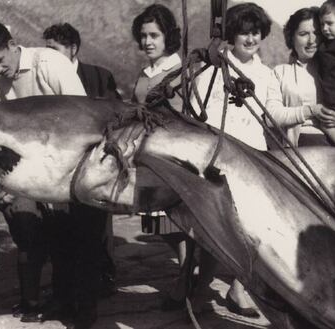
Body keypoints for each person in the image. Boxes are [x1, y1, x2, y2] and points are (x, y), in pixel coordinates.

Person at [0, 21, 86, 324]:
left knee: (75, 239)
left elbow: (84, 113)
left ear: (11, 44)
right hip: (40, 169)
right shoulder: (4, 85)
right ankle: (59, 300)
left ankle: (80, 307)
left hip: (72, 162)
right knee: (51, 237)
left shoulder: (49, 63)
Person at [191, 2, 273, 317]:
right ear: (231, 35)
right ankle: (199, 288)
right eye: (243, 33)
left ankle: (239, 289)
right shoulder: (213, 69)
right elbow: (201, 115)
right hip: (220, 159)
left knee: (250, 229)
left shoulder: (265, 75)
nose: (250, 39)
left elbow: (268, 114)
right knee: (215, 230)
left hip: (254, 159)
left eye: (255, 33)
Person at [131, 4, 213, 315]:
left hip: (176, 158)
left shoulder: (182, 71)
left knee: (178, 223)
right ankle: (186, 274)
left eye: (154, 35)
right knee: (158, 224)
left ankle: (185, 283)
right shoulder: (144, 73)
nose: (147, 42)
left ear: (169, 37)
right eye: (143, 36)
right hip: (147, 155)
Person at [41, 22, 120, 328]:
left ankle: (87, 310)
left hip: (92, 172)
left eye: (54, 49)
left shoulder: (99, 77)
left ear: (72, 48)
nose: (48, 56)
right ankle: (63, 300)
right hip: (57, 175)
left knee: (91, 242)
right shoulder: (44, 79)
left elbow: (113, 121)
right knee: (60, 241)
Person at [265, 7, 332, 147]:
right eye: (304, 34)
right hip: (295, 150)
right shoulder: (280, 72)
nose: (312, 41)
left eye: (317, 33)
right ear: (291, 37)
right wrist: (311, 110)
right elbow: (271, 116)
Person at [314, 0, 335, 148]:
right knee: (326, 124)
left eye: (329, 23)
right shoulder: (325, 44)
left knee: (327, 124)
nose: (324, 28)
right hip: (332, 102)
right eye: (321, 24)